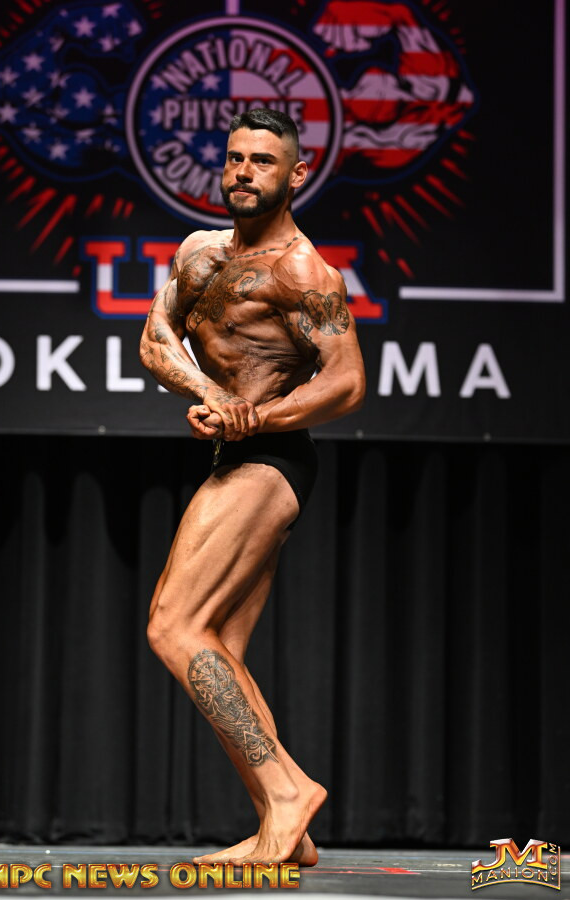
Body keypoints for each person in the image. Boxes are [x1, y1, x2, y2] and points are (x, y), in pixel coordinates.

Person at [139, 108, 366, 866]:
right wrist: (209, 391)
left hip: (272, 459)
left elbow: (346, 382)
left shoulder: (303, 272)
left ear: (296, 174)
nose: (243, 172)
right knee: (221, 647)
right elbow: (156, 338)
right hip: (236, 453)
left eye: (262, 161)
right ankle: (282, 824)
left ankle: (289, 792)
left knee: (173, 626)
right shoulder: (198, 252)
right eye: (235, 158)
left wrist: (254, 417)